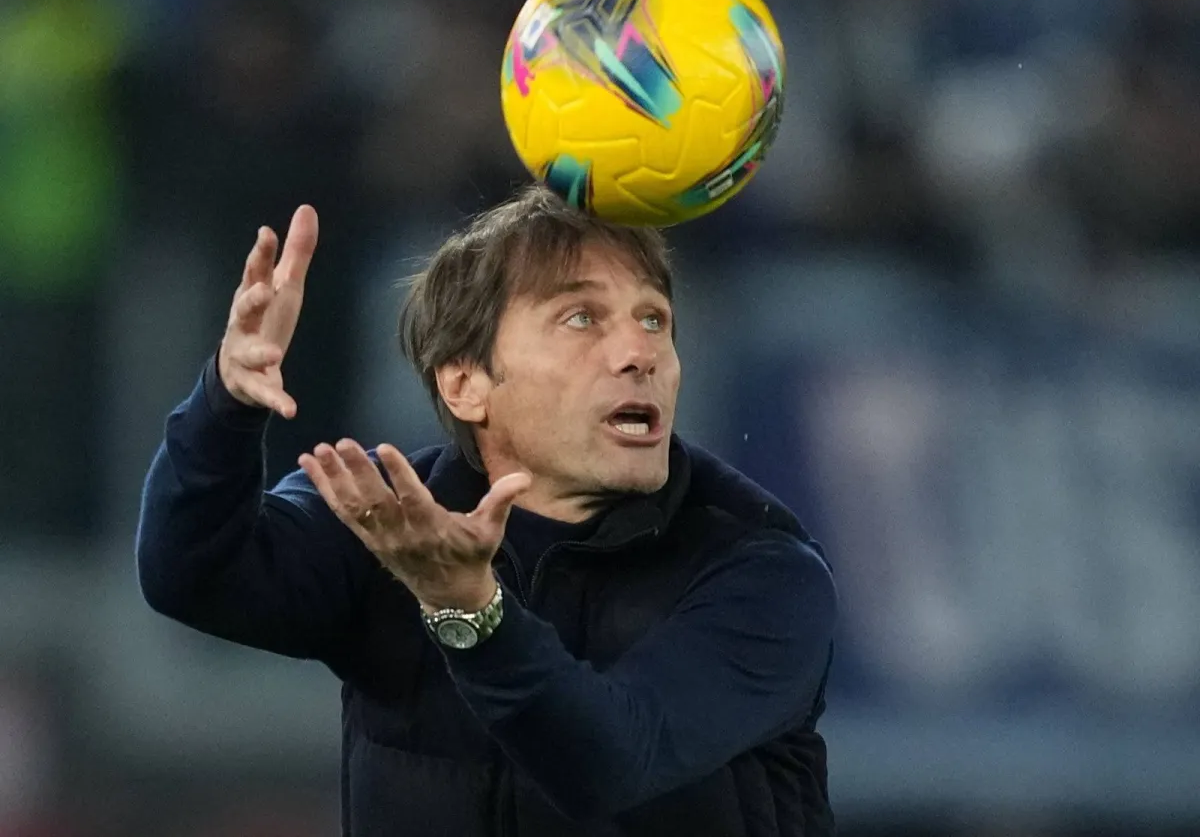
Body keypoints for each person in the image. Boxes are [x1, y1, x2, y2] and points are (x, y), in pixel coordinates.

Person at [135, 185, 838, 837]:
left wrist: (469, 612)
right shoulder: (393, 518)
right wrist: (225, 403)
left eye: (654, 319)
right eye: (582, 318)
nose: (640, 353)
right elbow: (190, 576)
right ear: (467, 384)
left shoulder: (763, 570)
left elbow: (611, 763)